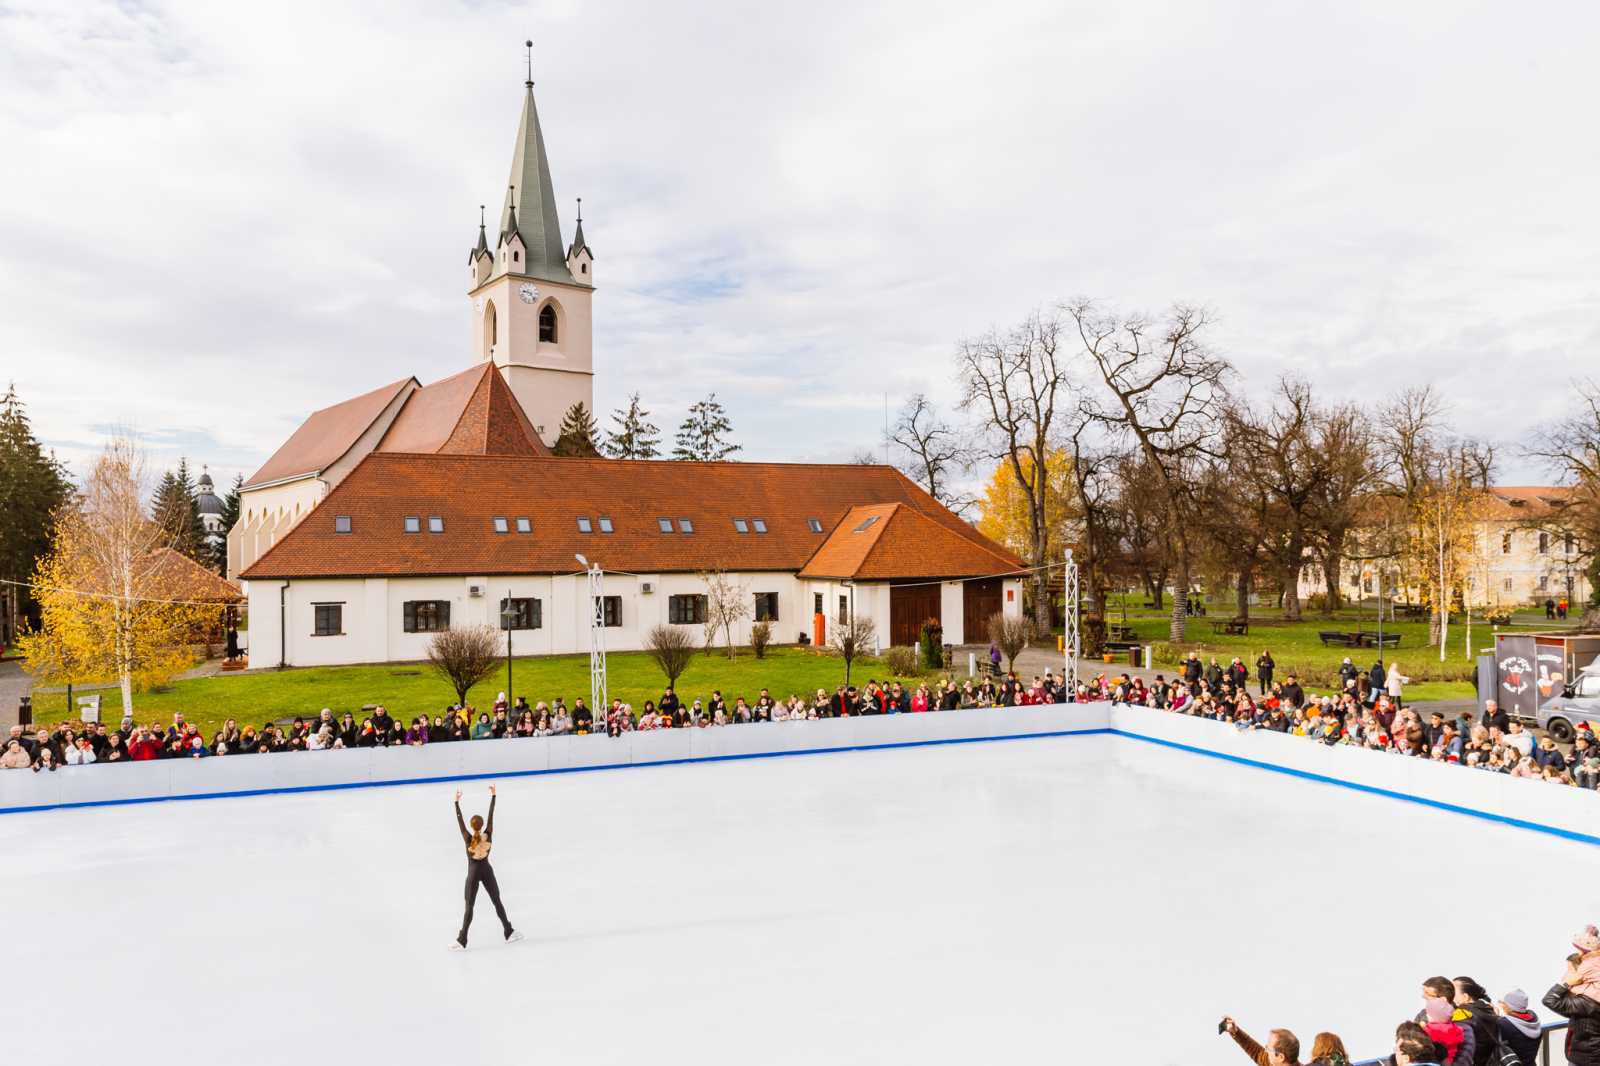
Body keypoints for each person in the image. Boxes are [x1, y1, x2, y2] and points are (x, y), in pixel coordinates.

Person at [449, 785, 521, 950]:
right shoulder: (488, 834)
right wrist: (493, 796)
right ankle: (508, 931)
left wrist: (456, 803)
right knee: (497, 901)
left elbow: (460, 822)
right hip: (487, 871)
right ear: (481, 826)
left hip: (473, 873)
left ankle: (462, 939)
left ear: (472, 826)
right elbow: (491, 816)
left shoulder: (468, 839)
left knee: (469, 907)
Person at [1544, 954, 1600, 1065]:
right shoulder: (1591, 997)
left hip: (1585, 1059)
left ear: (1581, 973)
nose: (1567, 975)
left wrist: (1566, 984)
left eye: (1570, 971)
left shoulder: (1586, 1002)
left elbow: (1549, 1000)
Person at [1219, 1017, 1301, 1065]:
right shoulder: (1276, 1063)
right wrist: (1236, 1032)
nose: (1265, 1050)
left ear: (1281, 1057)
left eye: (1268, 1048)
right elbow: (1258, 1054)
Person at [1494, 988, 1540, 1066]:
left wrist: (1494, 1017)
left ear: (1510, 1006)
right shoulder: (1533, 1018)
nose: (1501, 1005)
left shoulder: (1503, 1024)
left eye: (1503, 1003)